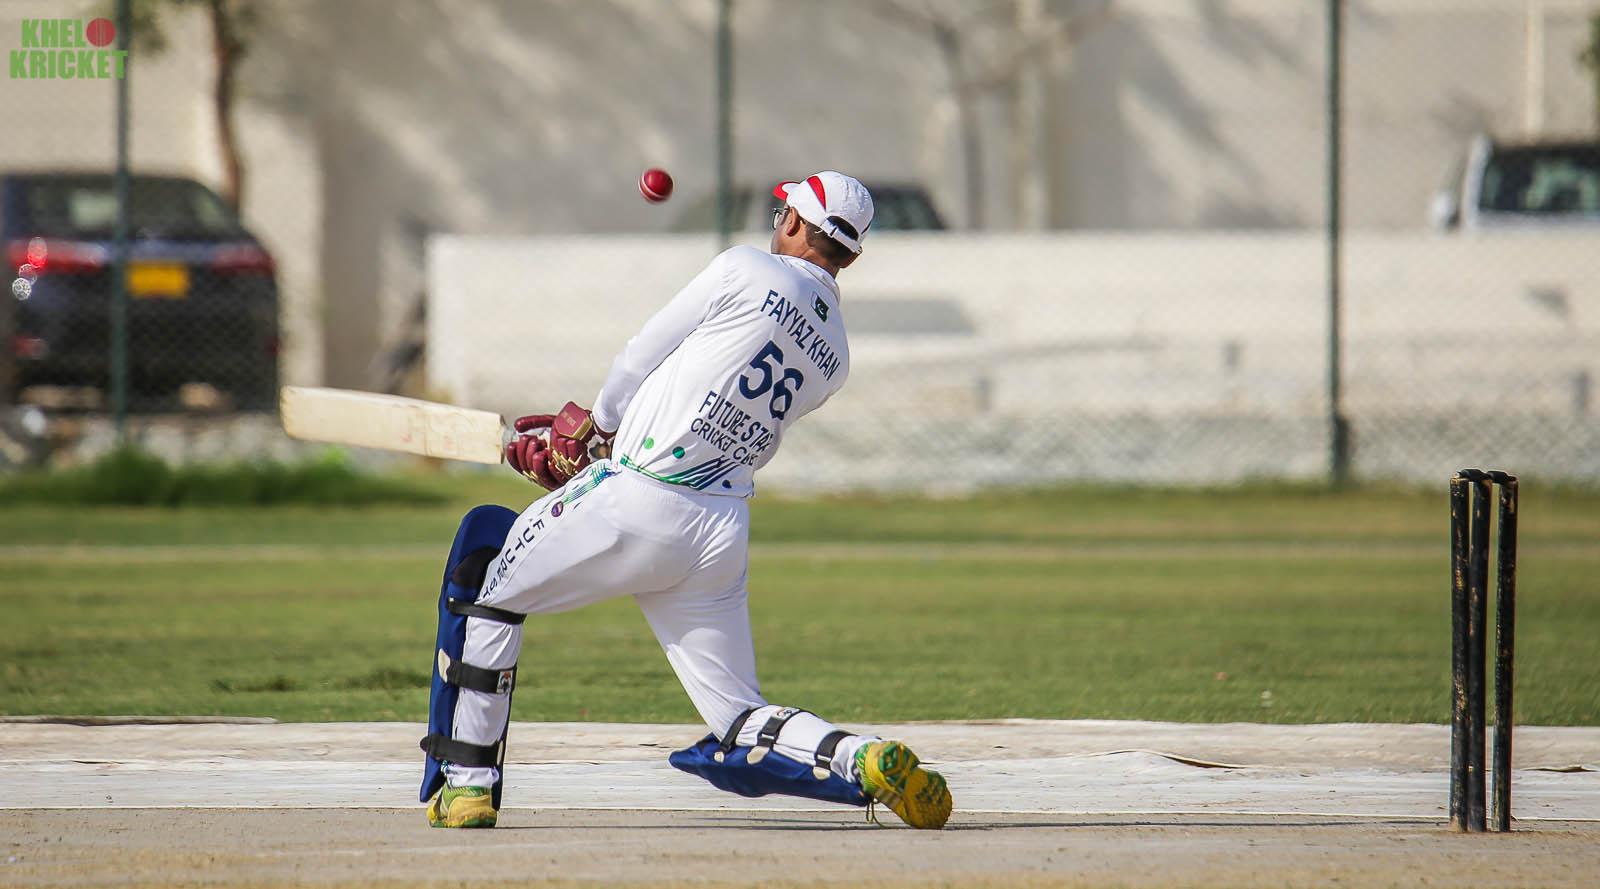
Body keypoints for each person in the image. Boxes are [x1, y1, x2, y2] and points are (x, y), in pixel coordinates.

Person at [419, 171, 953, 830]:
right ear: (852, 254)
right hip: (719, 529)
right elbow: (726, 418)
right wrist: (597, 454)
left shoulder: (745, 268)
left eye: (783, 212)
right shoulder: (836, 355)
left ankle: (469, 786)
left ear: (793, 222)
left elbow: (641, 354)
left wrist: (592, 432)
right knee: (738, 715)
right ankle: (859, 755)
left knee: (487, 593)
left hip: (639, 498)